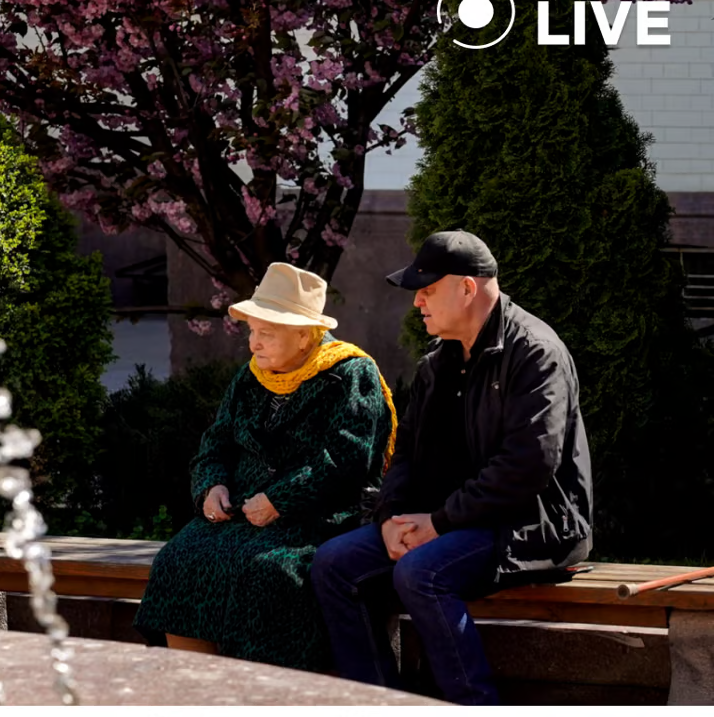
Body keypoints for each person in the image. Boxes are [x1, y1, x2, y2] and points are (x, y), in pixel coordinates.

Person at [311, 230, 593, 705]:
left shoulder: (536, 353)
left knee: (421, 572)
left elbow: (526, 468)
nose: (417, 300)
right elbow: (406, 456)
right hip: (447, 522)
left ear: (467, 287)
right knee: (332, 564)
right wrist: (391, 519)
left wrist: (438, 523)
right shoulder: (436, 365)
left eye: (427, 288)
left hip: (530, 523)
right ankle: (379, 702)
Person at [133, 262, 396, 671]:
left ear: (305, 335)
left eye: (265, 333)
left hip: (315, 518)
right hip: (241, 514)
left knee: (269, 573)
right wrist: (212, 487)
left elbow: (348, 459)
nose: (253, 343)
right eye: (252, 331)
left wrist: (279, 499)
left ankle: (266, 697)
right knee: (177, 560)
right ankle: (199, 695)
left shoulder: (350, 374)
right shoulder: (250, 377)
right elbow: (214, 444)